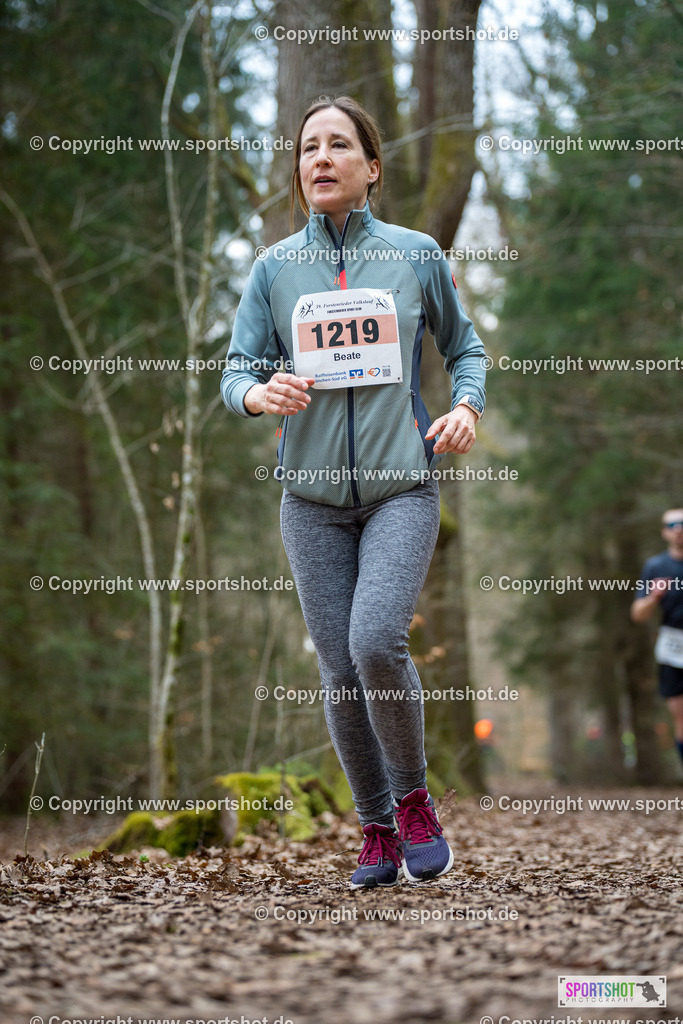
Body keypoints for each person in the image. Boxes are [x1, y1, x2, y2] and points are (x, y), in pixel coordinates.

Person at [220, 95, 487, 888]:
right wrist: (255, 395)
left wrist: (465, 405)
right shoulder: (273, 270)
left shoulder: (414, 254)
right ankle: (372, 827)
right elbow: (235, 369)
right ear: (299, 170)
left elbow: (465, 348)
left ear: (371, 167)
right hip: (308, 502)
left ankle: (413, 803)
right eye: (309, 148)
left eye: (339, 146)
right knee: (338, 667)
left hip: (401, 488)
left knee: (376, 642)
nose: (322, 159)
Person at [631, 508, 683, 766]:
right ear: (664, 532)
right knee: (681, 717)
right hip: (674, 647)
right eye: (672, 524)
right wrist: (654, 597)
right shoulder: (656, 567)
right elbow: (638, 613)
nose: (679, 529)